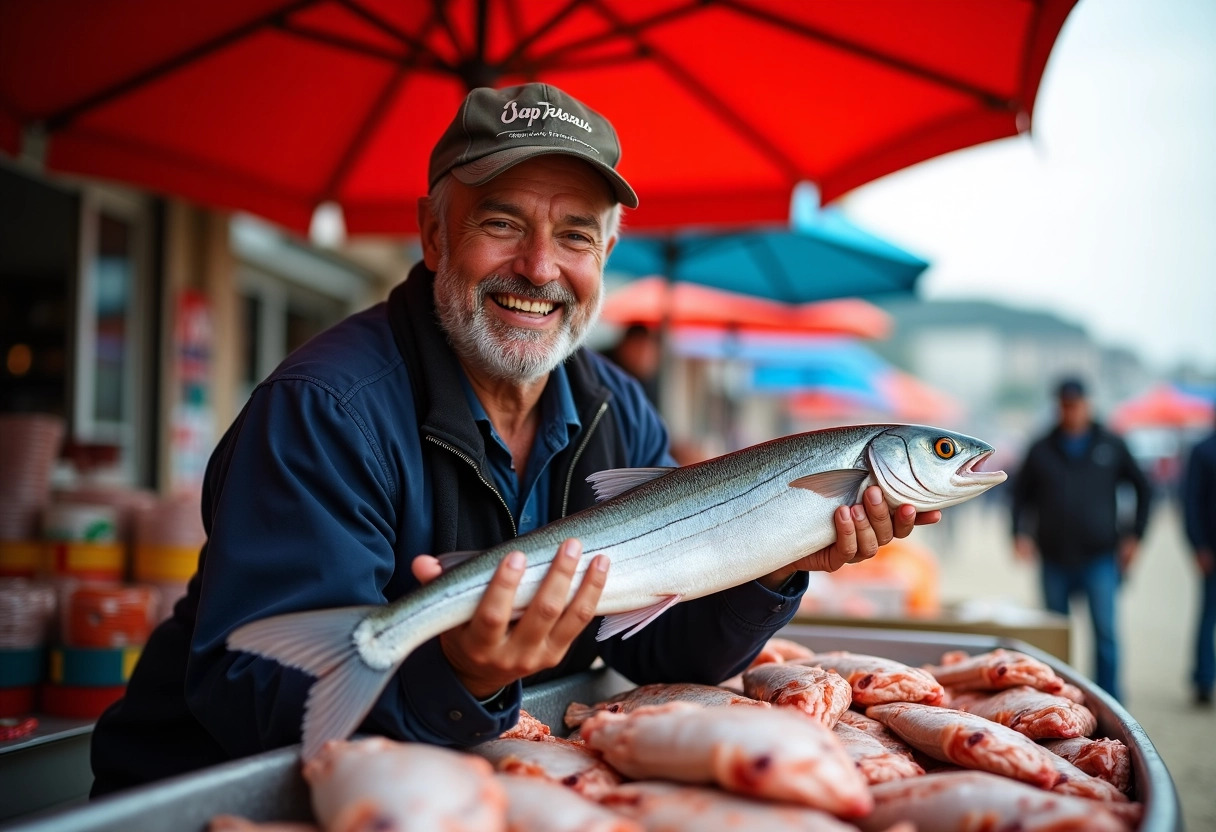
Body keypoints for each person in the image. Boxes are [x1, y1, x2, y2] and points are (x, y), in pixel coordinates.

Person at [89, 82, 938, 794]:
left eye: (575, 235)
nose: (539, 267)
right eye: (502, 222)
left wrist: (783, 555)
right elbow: (256, 696)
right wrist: (464, 677)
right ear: (432, 234)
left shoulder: (617, 409)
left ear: (605, 255)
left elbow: (665, 651)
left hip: (442, 786)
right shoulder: (325, 408)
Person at [1011, 377, 1153, 702]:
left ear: (1088, 404)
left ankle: (1110, 699)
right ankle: (1058, 699)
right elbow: (1020, 495)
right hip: (1053, 556)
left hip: (1100, 555)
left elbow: (1144, 488)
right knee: (1055, 636)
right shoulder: (1041, 447)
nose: (1070, 411)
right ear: (1057, 405)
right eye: (1064, 404)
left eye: (1076, 404)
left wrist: (1135, 536)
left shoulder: (1111, 444)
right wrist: (1018, 533)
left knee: (1105, 633)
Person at [1183, 418, 1216, 706]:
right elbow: (1191, 502)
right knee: (1208, 617)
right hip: (1212, 548)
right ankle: (1204, 679)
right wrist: (1199, 545)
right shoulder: (1204, 450)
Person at [601, 322, 662, 406]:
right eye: (639, 348)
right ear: (625, 346)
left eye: (648, 352)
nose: (643, 356)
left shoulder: (649, 384)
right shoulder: (603, 369)